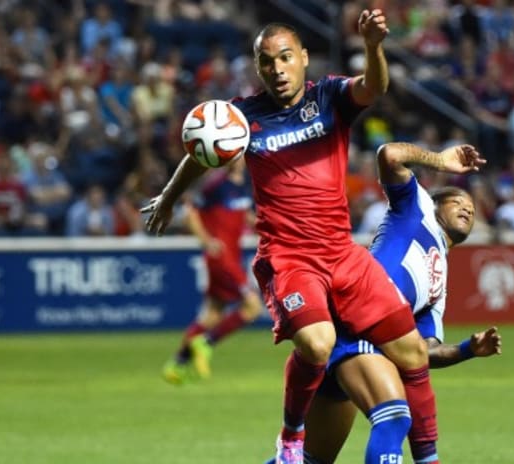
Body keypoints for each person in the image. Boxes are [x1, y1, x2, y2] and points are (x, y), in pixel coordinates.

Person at [141, 12, 449, 464]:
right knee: (318, 343)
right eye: (267, 63)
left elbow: (374, 88)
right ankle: (290, 437)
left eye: (286, 58)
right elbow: (200, 154)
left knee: (412, 353)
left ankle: (428, 459)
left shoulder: (329, 97)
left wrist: (372, 46)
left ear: (304, 59)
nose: (277, 70)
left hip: (342, 254)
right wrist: (169, 199)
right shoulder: (243, 118)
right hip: (290, 261)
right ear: (258, 68)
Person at [298, 142, 501, 464]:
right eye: (458, 201)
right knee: (393, 417)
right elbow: (389, 155)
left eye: (473, 211)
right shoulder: (415, 207)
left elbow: (422, 352)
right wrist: (440, 161)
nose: (468, 210)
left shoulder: (438, 283)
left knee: (309, 461)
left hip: (356, 343)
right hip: (354, 328)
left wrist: (467, 350)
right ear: (435, 203)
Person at [161, 160, 262, 385]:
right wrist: (207, 242)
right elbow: (190, 213)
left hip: (231, 256)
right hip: (221, 257)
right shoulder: (215, 185)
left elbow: (243, 215)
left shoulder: (242, 185)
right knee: (252, 306)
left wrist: (267, 228)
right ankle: (206, 342)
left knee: (214, 313)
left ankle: (177, 363)